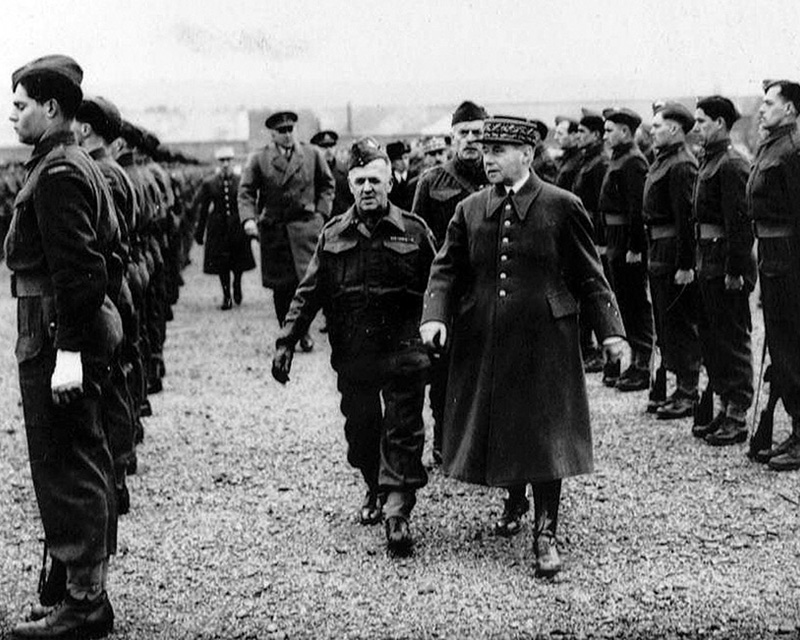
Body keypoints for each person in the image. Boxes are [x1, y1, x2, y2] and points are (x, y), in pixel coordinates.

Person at [420, 116, 626, 576]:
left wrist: (611, 332)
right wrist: (434, 317)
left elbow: (591, 274)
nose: (486, 158)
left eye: (498, 151)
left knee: (546, 435)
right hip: (487, 339)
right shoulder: (470, 209)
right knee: (503, 424)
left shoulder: (562, 205)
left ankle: (546, 532)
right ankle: (515, 499)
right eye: (483, 150)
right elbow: (445, 270)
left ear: (527, 155)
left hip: (545, 341)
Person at [272, 138, 436, 555]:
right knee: (361, 430)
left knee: (403, 430)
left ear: (391, 182)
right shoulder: (333, 235)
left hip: (404, 350)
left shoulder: (415, 232)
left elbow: (441, 287)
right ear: (350, 183)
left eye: (375, 181)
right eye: (360, 180)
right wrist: (287, 341)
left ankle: (397, 511)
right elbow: (309, 292)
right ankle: (373, 487)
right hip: (355, 353)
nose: (367, 189)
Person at [6, 54, 121, 639]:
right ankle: (78, 588)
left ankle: (84, 603)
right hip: (57, 328)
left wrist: (70, 353)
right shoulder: (67, 164)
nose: (12, 116)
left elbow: (81, 273)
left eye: (21, 104)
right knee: (81, 456)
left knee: (65, 463)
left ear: (51, 108)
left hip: (55, 332)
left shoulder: (58, 174)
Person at [72, 95, 141, 514]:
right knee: (118, 376)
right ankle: (117, 468)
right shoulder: (112, 170)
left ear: (83, 129)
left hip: (109, 288)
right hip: (118, 284)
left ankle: (114, 476)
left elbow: (102, 243)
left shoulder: (102, 174)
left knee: (110, 383)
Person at [412, 99, 488, 465]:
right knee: (441, 370)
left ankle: (484, 442)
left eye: (478, 133)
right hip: (448, 290)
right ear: (452, 137)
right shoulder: (432, 182)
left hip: (489, 288)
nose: (471, 140)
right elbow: (414, 240)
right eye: (464, 133)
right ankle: (444, 438)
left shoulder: (499, 177)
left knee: (488, 366)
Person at [239, 110, 335, 352]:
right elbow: (246, 191)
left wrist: (321, 214)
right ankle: (288, 330)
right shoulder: (259, 159)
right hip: (276, 232)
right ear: (272, 134)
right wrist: (248, 220)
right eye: (281, 131)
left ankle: (304, 330)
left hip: (305, 229)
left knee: (307, 284)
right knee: (282, 288)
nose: (287, 135)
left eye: (290, 129)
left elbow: (327, 184)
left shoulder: (312, 155)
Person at [691, 96, 756, 445]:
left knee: (732, 339)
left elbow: (739, 224)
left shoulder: (731, 163)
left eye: (702, 121)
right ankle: (724, 404)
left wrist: (736, 270)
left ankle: (737, 414)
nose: (696, 127)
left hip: (724, 265)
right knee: (713, 339)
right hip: (707, 262)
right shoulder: (710, 162)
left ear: (719, 123)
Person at [746, 80, 800, 470]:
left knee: (792, 346)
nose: (762, 109)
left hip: (790, 259)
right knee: (781, 346)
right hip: (772, 256)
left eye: (769, 103)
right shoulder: (771, 146)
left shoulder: (794, 151)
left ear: (792, 110)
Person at [643, 102, 701, 420]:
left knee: (678, 321)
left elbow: (685, 220)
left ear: (675, 129)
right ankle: (679, 386)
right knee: (665, 321)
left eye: (657, 126)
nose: (652, 131)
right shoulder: (663, 160)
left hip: (671, 252)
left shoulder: (681, 164)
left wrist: (685, 265)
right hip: (658, 249)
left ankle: (688, 390)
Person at [599, 108, 655, 392]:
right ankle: (636, 361)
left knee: (634, 302)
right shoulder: (620, 158)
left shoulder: (633, 161)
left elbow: (637, 208)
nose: (605, 135)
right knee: (624, 300)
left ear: (625, 131)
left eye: (610, 130)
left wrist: (635, 247)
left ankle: (643, 364)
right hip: (615, 238)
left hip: (626, 241)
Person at [193, 146, 256, 309]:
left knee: (238, 261)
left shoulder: (240, 180)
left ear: (232, 161)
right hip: (218, 229)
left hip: (237, 226)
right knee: (222, 265)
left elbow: (247, 203)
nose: (226, 164)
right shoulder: (209, 183)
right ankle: (226, 296)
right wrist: (199, 233)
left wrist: (250, 223)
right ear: (218, 163)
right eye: (222, 161)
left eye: (228, 160)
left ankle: (237, 284)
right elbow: (204, 209)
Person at [572, 109, 611, 373]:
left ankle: (598, 350)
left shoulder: (600, 163)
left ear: (595, 135)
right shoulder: (587, 160)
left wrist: (598, 238)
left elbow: (601, 205)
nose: (578, 137)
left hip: (593, 234)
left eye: (582, 133)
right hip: (582, 230)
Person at [310, 129, 353, 218]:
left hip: (341, 219)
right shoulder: (310, 171)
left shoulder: (345, 171)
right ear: (315, 149)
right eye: (324, 147)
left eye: (331, 146)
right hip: (317, 219)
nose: (329, 150)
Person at [386, 140, 417, 210]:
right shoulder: (388, 180)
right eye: (399, 159)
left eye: (406, 158)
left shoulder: (415, 177)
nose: (404, 162)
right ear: (392, 162)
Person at [554, 115, 582, 190]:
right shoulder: (565, 157)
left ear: (573, 135)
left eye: (560, 134)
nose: (555, 137)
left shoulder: (579, 160)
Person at [531, 119, 557, 184]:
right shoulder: (533, 153)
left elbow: (551, 182)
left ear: (537, 136)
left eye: (530, 132)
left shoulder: (546, 158)